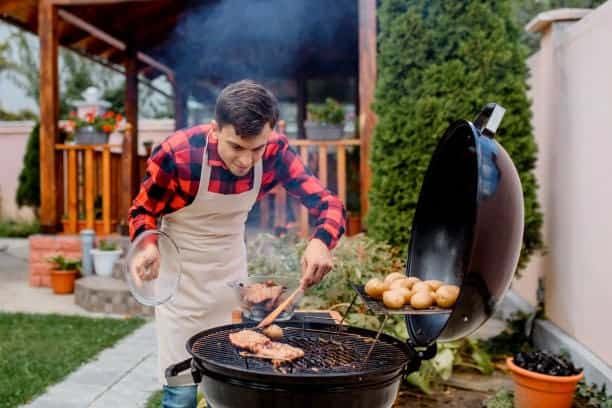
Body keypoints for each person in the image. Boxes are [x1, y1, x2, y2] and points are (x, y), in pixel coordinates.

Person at [128, 80, 346, 408]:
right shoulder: (178, 152)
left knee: (230, 386)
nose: (246, 161)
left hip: (230, 276)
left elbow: (328, 203)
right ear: (215, 130)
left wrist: (321, 241)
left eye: (256, 149)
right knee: (181, 391)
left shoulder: (275, 151)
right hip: (181, 282)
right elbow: (144, 209)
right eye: (236, 147)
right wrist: (147, 246)